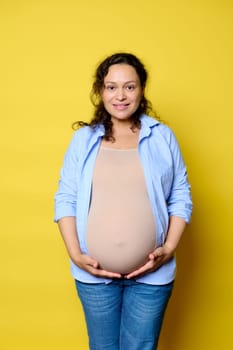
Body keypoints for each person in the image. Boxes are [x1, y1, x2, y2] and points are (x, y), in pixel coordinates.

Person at [54, 52, 192, 350]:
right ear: (100, 91)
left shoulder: (162, 137)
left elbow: (180, 195)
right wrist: (76, 255)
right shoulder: (84, 140)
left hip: (152, 276)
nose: (120, 95)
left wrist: (168, 249)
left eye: (129, 86)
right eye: (111, 86)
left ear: (142, 90)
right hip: (94, 275)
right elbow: (66, 196)